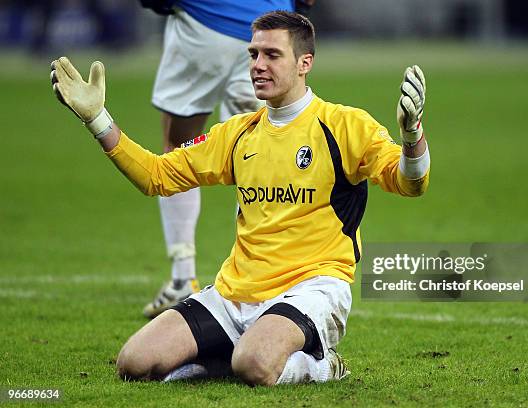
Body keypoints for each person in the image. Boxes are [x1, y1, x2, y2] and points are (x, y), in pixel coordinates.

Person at [50, 11, 430, 386]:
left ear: (304, 63)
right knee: (135, 363)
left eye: (272, 55)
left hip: (312, 288)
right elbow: (157, 176)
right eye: (253, 54)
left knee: (254, 365)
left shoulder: (345, 126)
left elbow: (409, 182)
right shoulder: (237, 133)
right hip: (235, 293)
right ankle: (229, 353)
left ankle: (324, 366)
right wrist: (97, 118)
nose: (258, 66)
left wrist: (411, 137)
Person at [140, 0, 307, 319]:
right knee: (260, 153)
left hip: (204, 23)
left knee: (180, 147)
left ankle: (182, 275)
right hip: (269, 33)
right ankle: (264, 280)